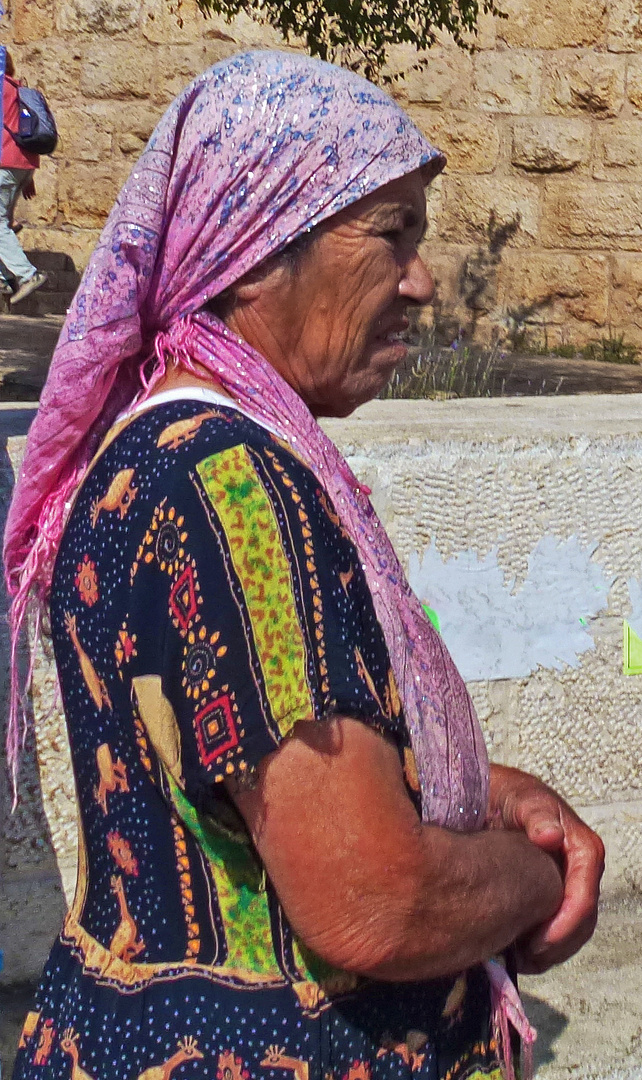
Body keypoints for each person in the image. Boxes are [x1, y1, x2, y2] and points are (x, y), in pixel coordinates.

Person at [4, 51, 605, 1080]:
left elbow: (239, 776)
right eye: (390, 236)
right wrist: (531, 881)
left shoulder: (155, 449)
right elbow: (375, 903)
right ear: (251, 253)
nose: (420, 282)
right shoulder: (235, 491)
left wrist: (478, 791)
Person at [0, 50, 46, 304]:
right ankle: (5, 279)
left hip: (4, 165)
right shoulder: (17, 89)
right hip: (22, 165)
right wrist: (28, 177)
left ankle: (28, 275)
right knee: (2, 224)